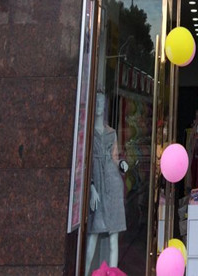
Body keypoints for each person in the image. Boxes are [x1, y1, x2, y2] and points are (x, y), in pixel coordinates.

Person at [85, 92, 128, 275]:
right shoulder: (88, 132)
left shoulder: (111, 132)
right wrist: (91, 187)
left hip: (112, 184)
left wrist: (122, 164)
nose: (99, 106)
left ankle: (112, 274)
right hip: (97, 185)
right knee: (93, 235)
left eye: (102, 103)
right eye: (96, 102)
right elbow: (85, 162)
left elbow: (115, 157)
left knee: (113, 237)